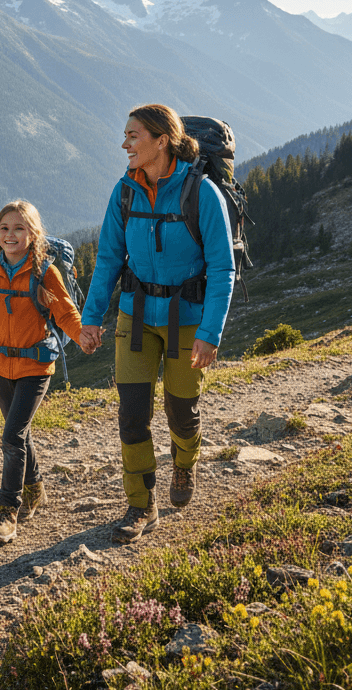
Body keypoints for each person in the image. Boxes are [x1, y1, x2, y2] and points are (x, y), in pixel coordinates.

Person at [79, 104, 235, 544]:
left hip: (187, 317)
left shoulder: (201, 193)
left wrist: (210, 332)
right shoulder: (124, 193)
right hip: (135, 314)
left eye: (133, 135)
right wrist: (91, 319)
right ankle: (140, 505)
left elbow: (223, 268)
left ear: (161, 140)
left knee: (182, 412)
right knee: (132, 415)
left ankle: (184, 463)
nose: (124, 144)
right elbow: (108, 258)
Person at [0, 200, 94, 543]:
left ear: (33, 234)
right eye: (5, 228)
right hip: (1, 367)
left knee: (11, 437)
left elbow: (65, 313)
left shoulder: (44, 272)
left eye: (19, 228)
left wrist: (83, 336)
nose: (10, 235)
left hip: (36, 366)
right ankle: (36, 489)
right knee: (20, 434)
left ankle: (7, 510)